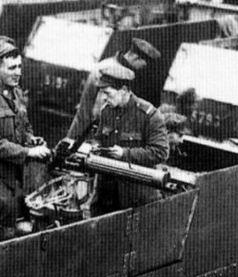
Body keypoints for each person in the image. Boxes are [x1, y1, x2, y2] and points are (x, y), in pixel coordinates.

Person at [0, 36, 51, 241]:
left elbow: (24, 126)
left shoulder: (17, 93)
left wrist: (31, 139)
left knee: (34, 202)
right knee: (8, 205)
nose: (18, 72)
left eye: (19, 67)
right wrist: (28, 152)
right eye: (12, 68)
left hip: (9, 172)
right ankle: (0, 252)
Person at [90, 62, 169, 213]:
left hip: (135, 198)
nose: (104, 98)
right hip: (106, 196)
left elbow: (160, 152)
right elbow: (99, 138)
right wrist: (95, 147)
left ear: (124, 90)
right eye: (102, 93)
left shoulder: (149, 116)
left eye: (108, 93)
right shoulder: (107, 112)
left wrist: (125, 154)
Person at [58, 38, 161, 152]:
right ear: (136, 58)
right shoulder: (114, 72)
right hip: (89, 136)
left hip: (83, 128)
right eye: (142, 65)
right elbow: (99, 114)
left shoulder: (108, 63)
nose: (140, 70)